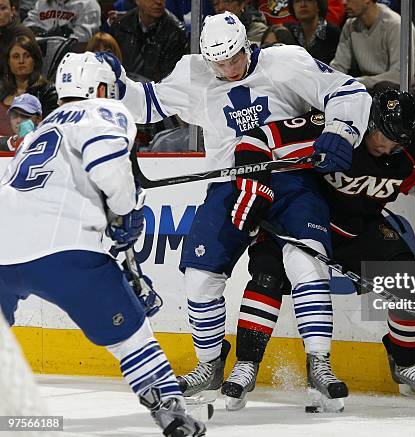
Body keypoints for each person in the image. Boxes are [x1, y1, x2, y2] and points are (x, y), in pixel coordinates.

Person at [99, 11, 371, 409]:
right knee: (198, 276)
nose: (227, 69)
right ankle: (209, 365)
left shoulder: (286, 61)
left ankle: (320, 364)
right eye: (218, 63)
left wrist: (340, 131)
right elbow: (149, 104)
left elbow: (348, 90)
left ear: (247, 45)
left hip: (288, 178)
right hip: (229, 182)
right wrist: (117, 85)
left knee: (305, 262)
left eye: (234, 59)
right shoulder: (194, 73)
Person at [222, 88, 415, 410]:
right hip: (305, 219)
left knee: (411, 282)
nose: (388, 146)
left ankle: (403, 362)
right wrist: (254, 186)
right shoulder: (336, 126)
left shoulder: (406, 145)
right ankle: (247, 365)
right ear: (370, 123)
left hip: (358, 226)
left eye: (398, 140)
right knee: (266, 278)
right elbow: (255, 139)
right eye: (384, 135)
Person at [0, 51, 207, 437]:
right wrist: (125, 212)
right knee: (131, 334)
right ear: (98, 87)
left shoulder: (41, 130)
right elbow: (107, 164)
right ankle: (169, 409)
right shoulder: (101, 112)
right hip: (62, 248)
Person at [330, 0, 415, 91]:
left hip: (406, 91)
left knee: (381, 88)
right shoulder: (350, 25)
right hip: (368, 88)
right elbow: (339, 65)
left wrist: (357, 82)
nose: (344, 2)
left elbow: (400, 76)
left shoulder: (396, 25)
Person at [109, 0, 188, 82]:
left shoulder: (176, 33)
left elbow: (170, 80)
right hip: (125, 88)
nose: (159, 2)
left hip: (157, 92)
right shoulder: (120, 26)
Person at [0, 35, 57, 136]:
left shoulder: (48, 92)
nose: (21, 61)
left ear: (34, 60)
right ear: (8, 62)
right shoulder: (2, 90)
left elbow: (51, 130)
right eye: (16, 56)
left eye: (27, 56)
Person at [286, 0, 341, 64]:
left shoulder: (334, 34)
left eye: (308, 0)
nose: (302, 5)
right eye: (297, 1)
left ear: (318, 5)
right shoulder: (289, 33)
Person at [23, 0, 101, 42]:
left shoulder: (89, 4)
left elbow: (84, 38)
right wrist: (43, 33)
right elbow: (27, 26)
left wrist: (64, 33)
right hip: (41, 53)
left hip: (74, 58)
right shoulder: (42, 3)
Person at [0, 0, 36, 78]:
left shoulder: (22, 34)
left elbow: (24, 71)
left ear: (13, 11)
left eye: (3, 8)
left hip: (17, 85)